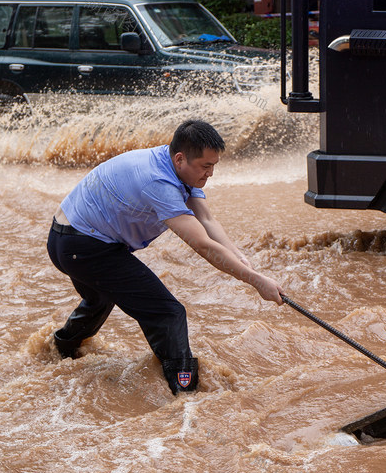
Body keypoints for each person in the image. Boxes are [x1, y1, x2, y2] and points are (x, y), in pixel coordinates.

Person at [46, 118, 283, 394]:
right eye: (206, 167)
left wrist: (239, 257)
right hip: (81, 245)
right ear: (181, 158)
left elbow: (206, 218)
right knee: (168, 313)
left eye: (214, 166)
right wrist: (256, 282)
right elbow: (203, 246)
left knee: (100, 295)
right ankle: (186, 395)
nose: (210, 174)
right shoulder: (157, 181)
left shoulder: (173, 163)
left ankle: (61, 349)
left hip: (67, 239)